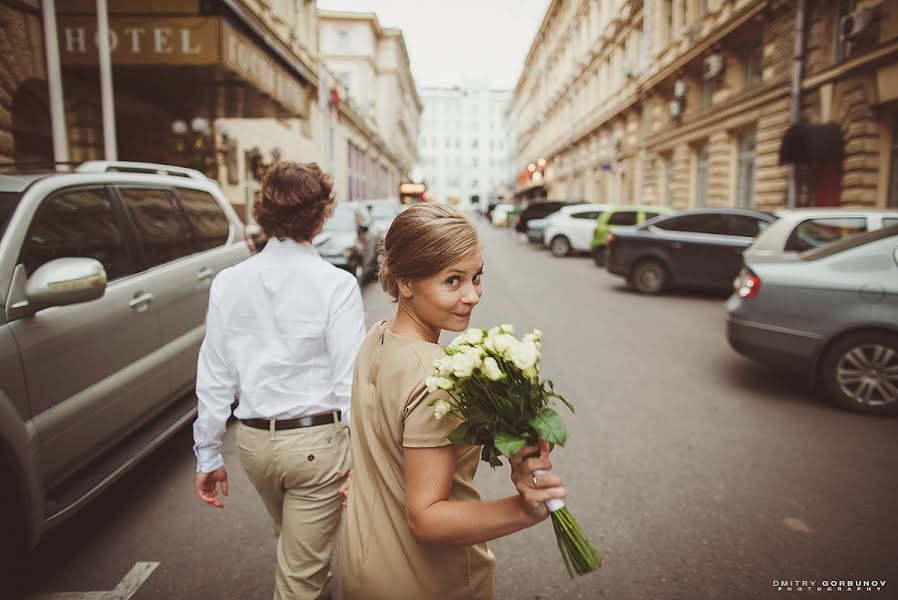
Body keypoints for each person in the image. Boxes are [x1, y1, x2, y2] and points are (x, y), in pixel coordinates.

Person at [339, 204, 566, 600]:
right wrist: (525, 509)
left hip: (363, 564)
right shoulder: (437, 378)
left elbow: (378, 448)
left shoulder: (375, 340)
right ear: (405, 281)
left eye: (477, 277)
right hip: (425, 581)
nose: (473, 295)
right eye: (453, 281)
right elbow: (426, 519)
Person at [192, 161, 365, 600]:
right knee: (299, 581)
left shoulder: (229, 283)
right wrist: (365, 461)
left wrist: (208, 452)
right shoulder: (336, 285)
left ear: (263, 208)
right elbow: (351, 385)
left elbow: (214, 372)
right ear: (321, 213)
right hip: (316, 448)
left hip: (254, 446)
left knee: (298, 550)